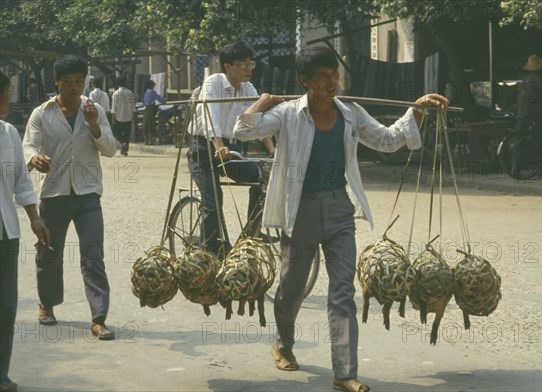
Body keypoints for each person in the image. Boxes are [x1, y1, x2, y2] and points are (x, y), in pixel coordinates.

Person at [234, 46, 447, 392]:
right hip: (298, 212)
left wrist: (416, 110)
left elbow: (389, 139)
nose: (331, 82)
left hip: (338, 211)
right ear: (305, 80)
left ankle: (344, 373)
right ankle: (283, 343)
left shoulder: (351, 113)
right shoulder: (288, 114)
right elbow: (243, 130)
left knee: (343, 292)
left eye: (334, 75)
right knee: (290, 289)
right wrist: (264, 101)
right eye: (322, 76)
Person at [22, 55, 119, 341]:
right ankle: (47, 304)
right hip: (54, 193)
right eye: (68, 82)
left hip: (88, 194)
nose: (74, 88)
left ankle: (99, 318)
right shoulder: (42, 113)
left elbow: (111, 149)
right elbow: (28, 144)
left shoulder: (95, 110)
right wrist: (34, 158)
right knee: (49, 253)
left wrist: (94, 125)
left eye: (79, 81)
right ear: (57, 83)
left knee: (93, 254)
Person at [186, 40, 275, 257]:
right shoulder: (214, 82)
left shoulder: (248, 88)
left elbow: (257, 121)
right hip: (204, 148)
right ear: (228, 66)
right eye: (242, 64)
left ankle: (250, 237)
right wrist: (218, 146)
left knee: (261, 179)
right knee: (213, 199)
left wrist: (273, 150)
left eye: (250, 64)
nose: (248, 69)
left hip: (229, 149)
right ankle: (211, 254)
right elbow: (210, 118)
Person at [0, 70, 51, 392]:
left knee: (5, 306)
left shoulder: (8, 134)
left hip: (7, 232)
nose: (7, 99)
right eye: (7, 92)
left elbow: (20, 180)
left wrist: (34, 218)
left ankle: (1, 373)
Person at [111, 76, 136, 155]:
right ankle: (125, 149)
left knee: (117, 133)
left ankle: (122, 143)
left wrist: (113, 116)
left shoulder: (116, 93)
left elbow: (114, 106)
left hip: (119, 116)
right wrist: (132, 114)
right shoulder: (130, 93)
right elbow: (133, 105)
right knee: (127, 133)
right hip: (128, 116)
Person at [142, 80, 166, 145]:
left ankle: (146, 141)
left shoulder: (145, 92)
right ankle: (150, 141)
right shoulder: (152, 92)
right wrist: (164, 101)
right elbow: (159, 98)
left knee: (146, 124)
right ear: (151, 85)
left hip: (146, 108)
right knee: (150, 124)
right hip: (151, 109)